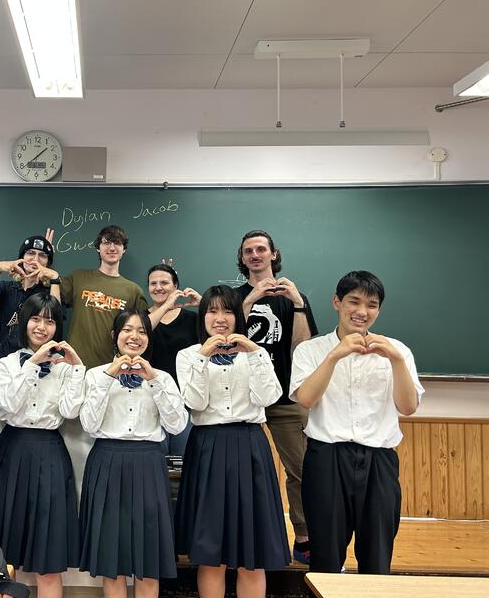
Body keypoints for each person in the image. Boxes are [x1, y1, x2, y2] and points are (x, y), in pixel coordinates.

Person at [290, 270, 423, 574]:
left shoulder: (398, 351)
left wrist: (396, 360)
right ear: (337, 302)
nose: (362, 311)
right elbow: (306, 399)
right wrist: (334, 356)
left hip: (379, 460)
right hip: (326, 458)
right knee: (325, 556)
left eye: (372, 305)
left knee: (377, 554)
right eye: (354, 301)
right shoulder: (310, 350)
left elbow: (408, 407)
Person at [175, 286, 289, 598]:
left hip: (249, 445)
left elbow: (269, 397)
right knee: (211, 555)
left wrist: (254, 353)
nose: (220, 318)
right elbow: (195, 403)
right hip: (207, 447)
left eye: (227, 311)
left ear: (238, 316)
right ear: (202, 316)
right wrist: (203, 357)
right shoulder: (188, 355)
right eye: (212, 311)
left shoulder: (255, 353)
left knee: (252, 555)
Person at [0, 294, 85, 598]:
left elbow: (70, 411)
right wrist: (32, 365)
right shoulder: (6, 363)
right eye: (35, 319)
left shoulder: (64, 368)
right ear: (24, 322)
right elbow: (9, 405)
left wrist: (77, 368)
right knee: (3, 550)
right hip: (12, 450)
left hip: (50, 451)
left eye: (49, 321)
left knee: (49, 553)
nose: (42, 327)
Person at [79, 310, 188, 598]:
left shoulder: (162, 377)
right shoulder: (95, 375)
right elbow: (89, 425)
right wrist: (108, 377)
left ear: (148, 338)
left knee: (149, 559)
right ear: (114, 336)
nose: (134, 337)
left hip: (149, 463)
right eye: (127, 330)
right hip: (107, 462)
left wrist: (154, 381)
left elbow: (177, 425)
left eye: (142, 331)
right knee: (111, 559)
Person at [234, 229, 318, 563]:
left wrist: (297, 304)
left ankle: (304, 537)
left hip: (285, 398)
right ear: (242, 258)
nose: (255, 255)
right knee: (239, 473)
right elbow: (227, 339)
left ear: (273, 254)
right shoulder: (234, 297)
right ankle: (241, 537)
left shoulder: (294, 296)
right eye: (248, 251)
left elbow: (303, 346)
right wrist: (248, 302)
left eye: (260, 249)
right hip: (242, 400)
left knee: (301, 470)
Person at [60, 226, 154, 369]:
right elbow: (52, 305)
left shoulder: (133, 290)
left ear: (124, 249)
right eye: (106, 242)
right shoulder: (78, 277)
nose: (112, 248)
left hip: (112, 369)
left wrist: (166, 298)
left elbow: (145, 326)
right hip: (73, 366)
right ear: (98, 247)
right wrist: (45, 262)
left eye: (117, 243)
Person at [0, 233, 60, 361]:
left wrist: (54, 278)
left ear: (48, 263)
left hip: (37, 358)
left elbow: (55, 317)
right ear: (21, 258)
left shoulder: (50, 293)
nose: (35, 259)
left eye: (42, 255)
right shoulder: (7, 288)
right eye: (30, 253)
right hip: (4, 356)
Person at [146, 263, 200, 456]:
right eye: (153, 283)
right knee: (154, 462)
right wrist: (165, 307)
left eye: (164, 283)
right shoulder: (141, 319)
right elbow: (143, 330)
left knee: (182, 462)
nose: (158, 287)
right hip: (150, 402)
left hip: (184, 403)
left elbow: (221, 329)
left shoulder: (192, 319)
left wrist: (204, 304)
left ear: (176, 287)